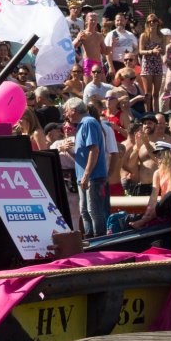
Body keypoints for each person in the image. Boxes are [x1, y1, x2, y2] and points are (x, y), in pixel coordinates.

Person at [68, 97, 111, 237]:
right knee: (85, 211)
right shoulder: (82, 124)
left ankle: (99, 239)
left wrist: (86, 175)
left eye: (66, 111)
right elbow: (83, 155)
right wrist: (68, 150)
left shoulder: (89, 122)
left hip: (93, 176)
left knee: (93, 210)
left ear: (73, 110)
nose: (65, 115)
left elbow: (94, 150)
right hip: (85, 176)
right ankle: (90, 237)